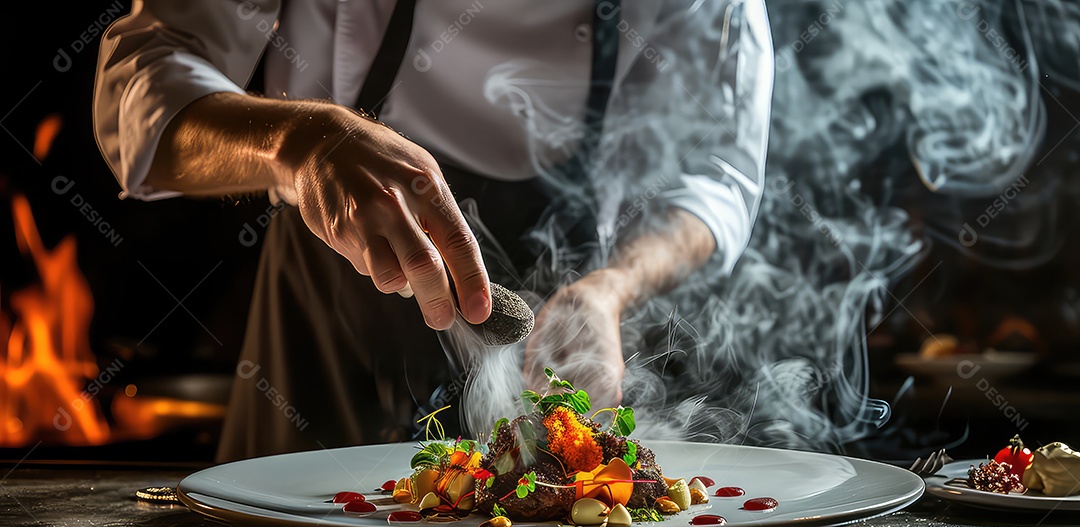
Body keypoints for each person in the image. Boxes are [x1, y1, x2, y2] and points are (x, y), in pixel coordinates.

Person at [94, 0, 773, 461]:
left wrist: (612, 289)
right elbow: (142, 87)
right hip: (326, 328)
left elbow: (717, 172)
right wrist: (296, 142)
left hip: (567, 295)